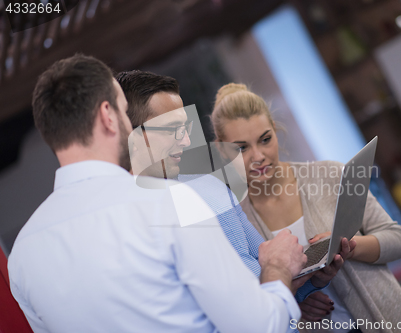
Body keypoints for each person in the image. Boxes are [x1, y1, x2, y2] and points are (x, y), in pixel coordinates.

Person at [9, 54, 310, 333]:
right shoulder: (165, 201)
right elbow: (259, 325)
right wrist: (277, 267)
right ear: (108, 116)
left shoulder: (22, 256)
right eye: (123, 110)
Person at [210, 83, 401, 333]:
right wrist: (294, 299)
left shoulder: (331, 174)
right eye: (242, 148)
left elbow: (396, 240)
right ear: (221, 149)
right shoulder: (237, 223)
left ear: (275, 128)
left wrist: (347, 246)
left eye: (265, 139)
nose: (258, 156)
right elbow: (254, 302)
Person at [115, 70, 347, 303]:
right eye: (173, 129)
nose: (185, 141)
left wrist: (313, 282)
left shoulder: (210, 187)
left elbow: (267, 273)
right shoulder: (132, 223)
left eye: (185, 128)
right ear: (133, 135)